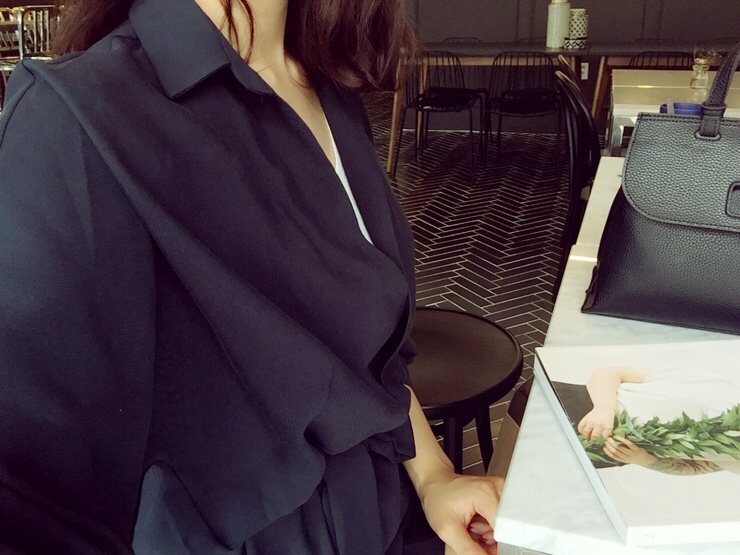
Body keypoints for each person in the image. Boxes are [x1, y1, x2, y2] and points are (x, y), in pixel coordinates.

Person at [0, 0, 505, 553]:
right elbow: (32, 503)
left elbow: (370, 355)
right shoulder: (75, 119)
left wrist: (433, 477)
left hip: (381, 519)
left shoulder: (327, 89)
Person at [575, 367, 740, 476]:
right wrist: (603, 408)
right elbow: (608, 372)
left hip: (605, 451)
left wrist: (644, 460)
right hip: (585, 406)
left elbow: (697, 467)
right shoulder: (720, 385)